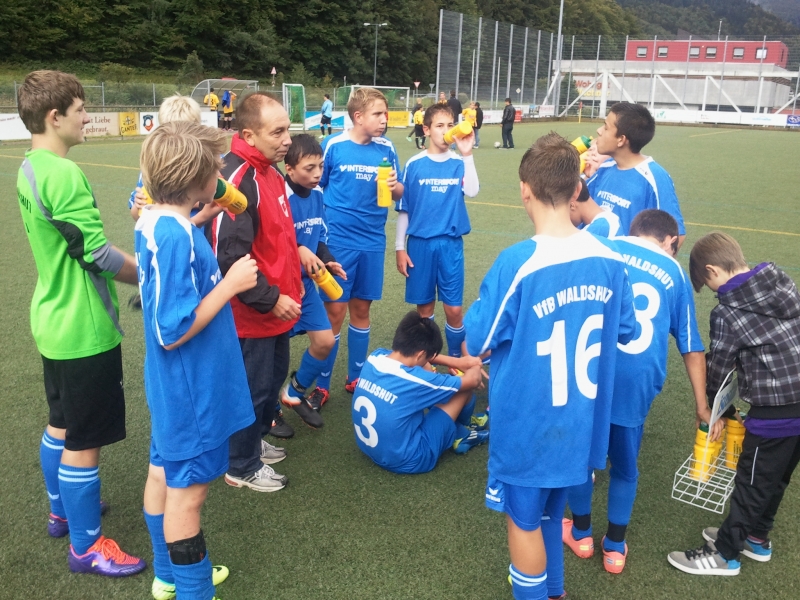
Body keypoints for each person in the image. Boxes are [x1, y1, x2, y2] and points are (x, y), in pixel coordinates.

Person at [464, 132, 636, 600]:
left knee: (523, 523)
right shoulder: (609, 258)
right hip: (581, 423)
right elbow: (625, 329)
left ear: (525, 189)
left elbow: (476, 340)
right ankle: (554, 591)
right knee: (548, 517)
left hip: (530, 422)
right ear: (579, 189)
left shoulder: (518, 262)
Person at [16, 70, 145, 576]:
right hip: (82, 329)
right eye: (80, 109)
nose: (87, 117)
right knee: (83, 441)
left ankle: (60, 511)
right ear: (55, 116)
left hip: (51, 318)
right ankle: (87, 548)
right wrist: (145, 273)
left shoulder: (30, 167)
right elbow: (94, 252)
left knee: (61, 421)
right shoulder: (62, 173)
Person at [137, 121, 257, 600]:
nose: (222, 171)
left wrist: (199, 215)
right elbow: (171, 331)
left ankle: (167, 576)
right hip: (192, 392)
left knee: (161, 475)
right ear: (196, 176)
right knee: (188, 498)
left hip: (173, 387)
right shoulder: (174, 236)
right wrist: (228, 285)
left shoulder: (160, 221)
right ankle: (191, 589)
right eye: (215, 166)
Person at [563, 210, 705, 575]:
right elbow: (690, 345)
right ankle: (613, 549)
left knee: (581, 458)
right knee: (625, 468)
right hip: (636, 381)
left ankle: (581, 536)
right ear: (671, 241)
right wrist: (702, 405)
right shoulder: (673, 272)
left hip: (590, 369)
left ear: (633, 231)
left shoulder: (607, 247)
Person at [667, 232, 800, 576]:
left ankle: (726, 554)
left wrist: (718, 410)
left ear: (711, 270)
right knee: (776, 478)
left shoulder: (727, 314)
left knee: (751, 485)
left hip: (775, 416)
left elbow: (719, 370)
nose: (716, 296)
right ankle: (757, 537)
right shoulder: (782, 282)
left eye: (710, 288)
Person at [208, 92, 302, 492]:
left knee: (271, 381)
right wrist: (270, 298)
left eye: (288, 129)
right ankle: (241, 465)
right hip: (252, 313)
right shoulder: (239, 178)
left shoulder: (270, 171)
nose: (287, 140)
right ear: (248, 133)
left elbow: (275, 237)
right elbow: (229, 256)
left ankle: (252, 444)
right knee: (252, 386)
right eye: (277, 132)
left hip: (276, 308)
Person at [318, 87, 403, 394]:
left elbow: (400, 193)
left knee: (362, 310)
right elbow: (317, 187)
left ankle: (355, 376)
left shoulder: (386, 148)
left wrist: (395, 187)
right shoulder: (333, 145)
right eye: (378, 114)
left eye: (385, 113)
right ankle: (322, 382)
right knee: (334, 311)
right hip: (338, 242)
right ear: (358, 117)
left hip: (372, 241)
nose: (384, 119)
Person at [352, 312, 487, 474]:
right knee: (462, 389)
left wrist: (456, 361)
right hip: (410, 460)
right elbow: (471, 381)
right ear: (421, 354)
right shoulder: (414, 380)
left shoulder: (375, 356)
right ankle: (462, 433)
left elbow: (420, 359)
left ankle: (456, 428)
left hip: (370, 448)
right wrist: (475, 364)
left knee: (425, 367)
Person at [396, 103, 478, 360]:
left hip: (450, 245)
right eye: (440, 125)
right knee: (425, 310)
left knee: (454, 309)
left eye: (450, 124)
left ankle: (454, 357)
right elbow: (404, 209)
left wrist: (467, 154)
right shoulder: (415, 164)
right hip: (419, 245)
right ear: (427, 129)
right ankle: (427, 357)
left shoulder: (458, 162)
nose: (446, 130)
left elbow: (473, 190)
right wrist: (400, 247)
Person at [281, 134, 347, 419]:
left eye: (320, 166)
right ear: (289, 168)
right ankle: (268, 413)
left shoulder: (318, 195)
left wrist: (328, 261)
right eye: (309, 168)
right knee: (274, 356)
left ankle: (293, 394)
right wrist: (298, 251)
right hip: (279, 287)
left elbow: (318, 237)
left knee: (324, 341)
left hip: (307, 285)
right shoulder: (279, 196)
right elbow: (272, 242)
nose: (318, 173)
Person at [587, 102, 685, 246]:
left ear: (621, 140)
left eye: (606, 127)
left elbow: (676, 236)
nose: (599, 131)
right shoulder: (605, 168)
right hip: (598, 262)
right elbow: (578, 203)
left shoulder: (655, 178)